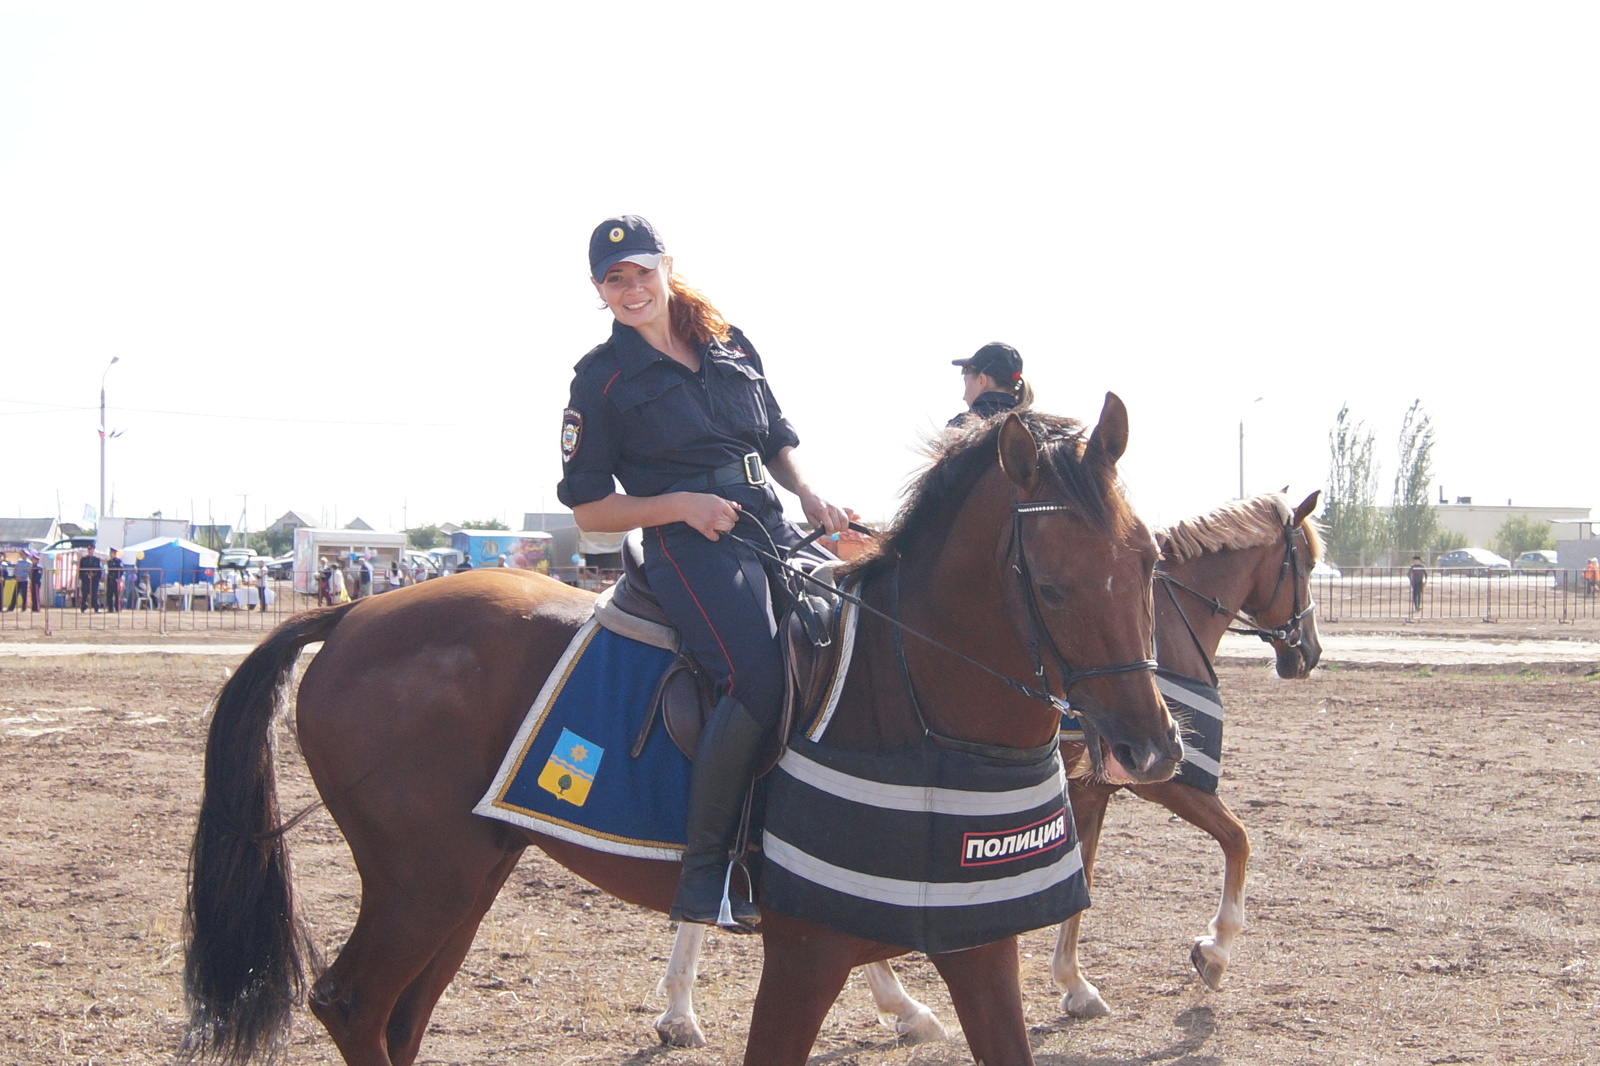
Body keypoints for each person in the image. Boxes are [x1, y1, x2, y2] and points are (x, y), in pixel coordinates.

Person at [557, 214, 853, 932]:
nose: (633, 289)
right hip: (690, 547)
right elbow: (590, 511)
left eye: (642, 272)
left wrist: (808, 490)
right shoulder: (600, 379)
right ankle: (708, 875)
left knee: (854, 632)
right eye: (614, 279)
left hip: (770, 523)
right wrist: (679, 506)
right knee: (756, 674)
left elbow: (777, 440)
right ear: (599, 289)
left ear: (667, 266)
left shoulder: (728, 340)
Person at [947, 342, 1033, 428]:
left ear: (981, 380)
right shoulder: (1033, 425)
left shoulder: (960, 426)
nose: (964, 397)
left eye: (965, 383)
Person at [78, 546, 103, 612]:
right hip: (85, 579)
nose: (90, 551)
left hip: (94, 579)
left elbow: (99, 570)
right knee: (85, 594)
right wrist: (86, 574)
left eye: (91, 549)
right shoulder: (83, 559)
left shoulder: (96, 559)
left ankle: (96, 608)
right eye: (89, 549)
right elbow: (81, 569)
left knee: (94, 594)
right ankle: (83, 607)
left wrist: (94, 574)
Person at [104, 547, 124, 613]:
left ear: (114, 553)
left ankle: (118, 608)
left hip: (116, 580)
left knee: (117, 595)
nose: (110, 554)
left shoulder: (118, 561)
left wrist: (118, 578)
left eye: (111, 553)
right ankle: (110, 608)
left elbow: (121, 570)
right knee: (109, 594)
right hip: (110, 579)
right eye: (110, 553)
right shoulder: (109, 562)